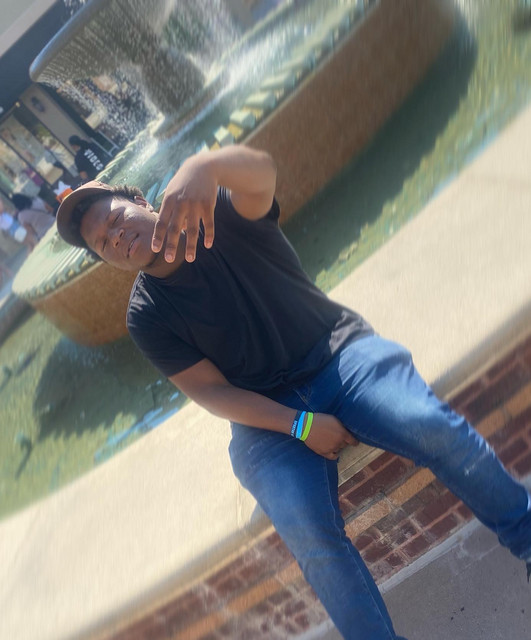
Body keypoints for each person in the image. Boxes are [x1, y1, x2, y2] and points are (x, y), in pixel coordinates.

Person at [55, 145, 531, 640]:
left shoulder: (217, 214)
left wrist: (205, 165)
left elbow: (263, 175)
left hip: (338, 354)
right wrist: (300, 424)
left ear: (140, 201)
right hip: (268, 421)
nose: (115, 237)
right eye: (103, 242)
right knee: (309, 536)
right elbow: (213, 392)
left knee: (430, 426)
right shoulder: (146, 316)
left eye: (115, 219)